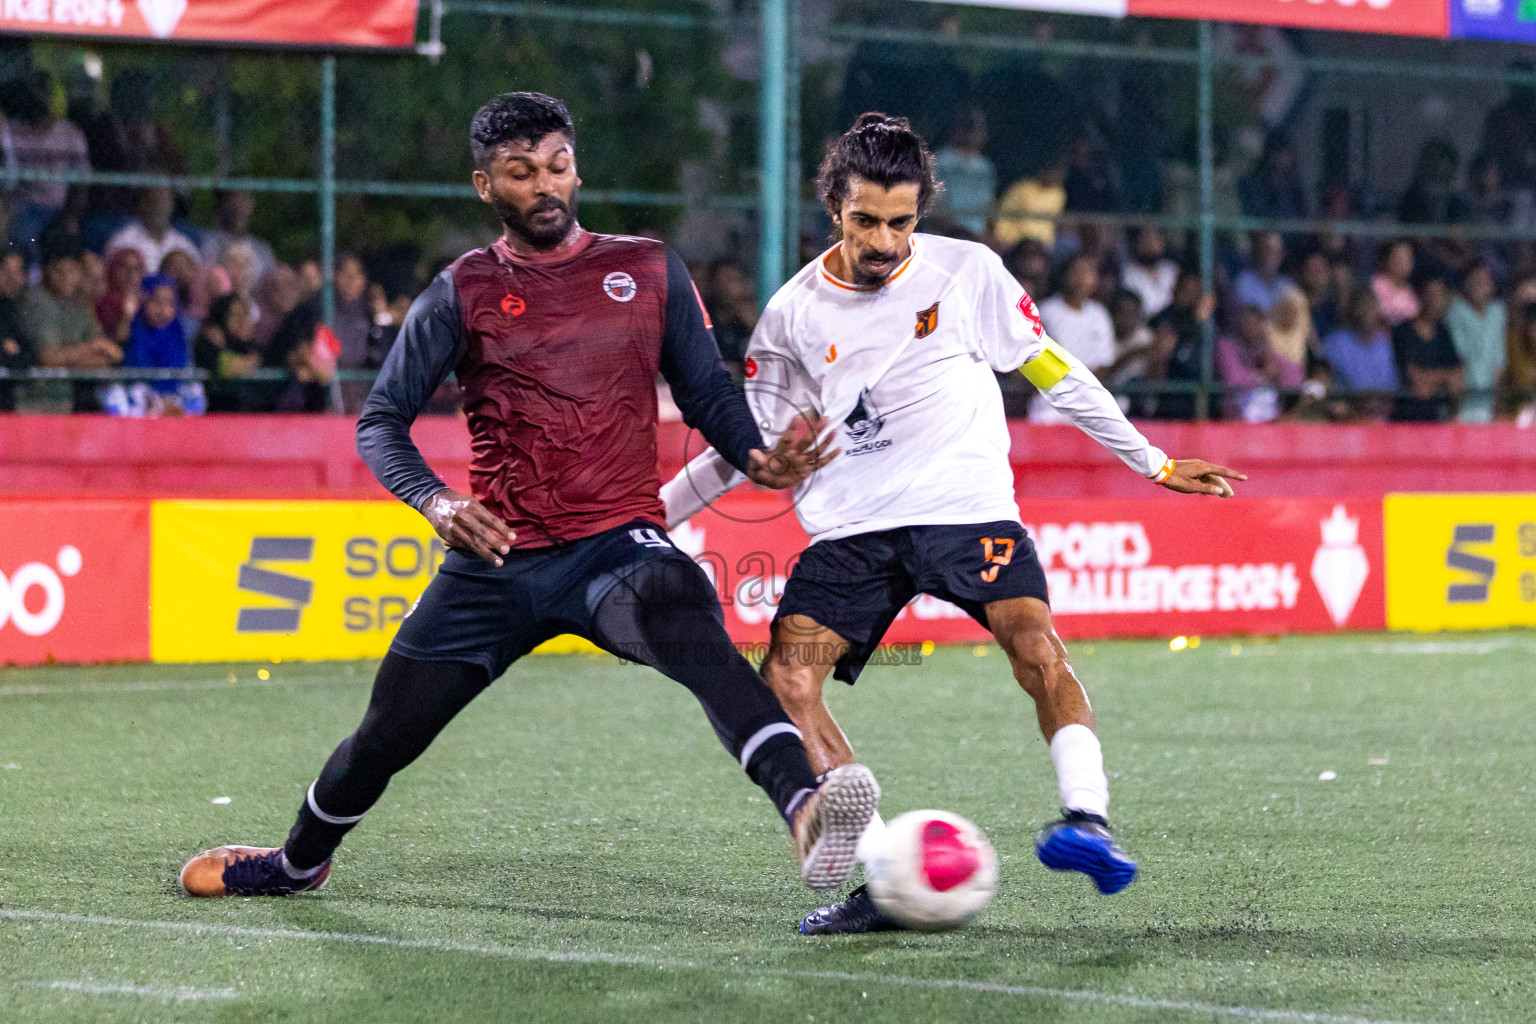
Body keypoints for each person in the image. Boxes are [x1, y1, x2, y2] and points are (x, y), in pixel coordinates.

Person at [178, 91, 878, 900]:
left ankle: (806, 807)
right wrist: (438, 503)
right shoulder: (461, 289)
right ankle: (296, 862)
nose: (545, 186)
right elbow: (380, 423)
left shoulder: (647, 268)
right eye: (521, 173)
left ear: (576, 169)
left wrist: (758, 455)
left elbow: (706, 396)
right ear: (486, 187)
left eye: (558, 167)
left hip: (615, 543)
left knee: (690, 624)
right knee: (384, 736)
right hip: (498, 561)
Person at [659, 113, 1244, 935]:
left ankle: (1087, 821)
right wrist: (647, 518)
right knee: (787, 682)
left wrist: (1148, 459)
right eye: (866, 220)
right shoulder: (793, 316)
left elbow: (1054, 369)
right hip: (854, 527)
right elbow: (736, 449)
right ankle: (883, 875)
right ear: (834, 206)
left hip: (967, 511)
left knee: (1035, 646)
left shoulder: (967, 272)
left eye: (902, 222)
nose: (886, 241)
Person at [18, 222, 121, 412]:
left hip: (66, 402)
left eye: (72, 271)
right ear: (45, 270)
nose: (65, 277)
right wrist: (91, 348)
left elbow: (106, 357)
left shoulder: (79, 303)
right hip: (33, 404)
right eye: (59, 271)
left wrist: (70, 357)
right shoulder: (37, 300)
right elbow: (47, 358)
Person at [0, 71, 91, 267]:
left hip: (58, 209)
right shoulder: (10, 131)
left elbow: (82, 182)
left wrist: (71, 216)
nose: (38, 100)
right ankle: (28, 277)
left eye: (44, 94)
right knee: (22, 232)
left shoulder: (70, 133)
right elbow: (9, 175)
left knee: (71, 237)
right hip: (21, 208)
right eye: (33, 94)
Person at [111, 271, 204, 416]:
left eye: (170, 303)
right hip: (139, 397)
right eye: (157, 302)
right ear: (144, 301)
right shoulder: (133, 326)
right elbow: (121, 340)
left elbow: (184, 374)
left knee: (196, 393)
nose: (164, 310)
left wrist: (168, 400)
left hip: (172, 397)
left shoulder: (177, 331)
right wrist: (127, 315)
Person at [1144, 270, 1214, 420]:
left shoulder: (1205, 325)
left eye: (1194, 292)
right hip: (1167, 398)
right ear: (1174, 290)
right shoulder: (1161, 319)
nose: (1188, 296)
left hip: (1195, 399)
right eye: (1184, 290)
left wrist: (1199, 323)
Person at [1392, 276, 1463, 422]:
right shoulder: (1403, 331)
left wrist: (1430, 379)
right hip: (1407, 421)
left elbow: (1456, 381)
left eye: (1438, 295)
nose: (1434, 300)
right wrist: (1442, 379)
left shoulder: (1443, 333)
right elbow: (1416, 385)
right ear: (1419, 296)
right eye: (1429, 294)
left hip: (1438, 420)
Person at [1217, 303, 1302, 422]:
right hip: (1236, 415)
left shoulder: (1265, 347)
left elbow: (1294, 379)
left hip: (1269, 418)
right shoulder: (1226, 345)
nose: (1250, 327)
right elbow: (1234, 380)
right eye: (1247, 322)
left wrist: (1278, 370)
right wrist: (1261, 375)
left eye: (1256, 323)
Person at [1323, 289, 1397, 421]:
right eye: (1363, 308)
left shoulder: (1384, 344)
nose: (1367, 314)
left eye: (1371, 308)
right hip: (1346, 418)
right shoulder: (1336, 343)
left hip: (1379, 419)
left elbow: (1391, 387)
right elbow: (1328, 384)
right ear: (1353, 311)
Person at [1447, 263, 1507, 423]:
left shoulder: (1498, 313)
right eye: (1475, 281)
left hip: (1488, 401)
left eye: (1484, 282)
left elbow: (1499, 361)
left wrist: (1494, 402)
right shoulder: (1457, 310)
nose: (1479, 287)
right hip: (1464, 401)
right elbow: (1459, 355)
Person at [194, 292, 264, 412]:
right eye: (236, 315)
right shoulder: (208, 343)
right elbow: (224, 366)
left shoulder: (249, 345)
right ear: (222, 318)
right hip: (216, 415)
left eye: (246, 315)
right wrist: (251, 361)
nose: (243, 321)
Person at [931, 108, 995, 237]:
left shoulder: (985, 167)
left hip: (978, 238)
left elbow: (989, 208)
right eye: (968, 126)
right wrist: (961, 234)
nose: (973, 132)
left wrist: (987, 236)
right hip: (946, 236)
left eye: (978, 128)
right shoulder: (940, 162)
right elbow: (935, 212)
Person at [105, 187, 199, 273]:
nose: (158, 207)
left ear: (172, 205)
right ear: (142, 204)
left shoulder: (185, 245)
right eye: (153, 201)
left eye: (163, 201)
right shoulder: (123, 241)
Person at [199, 190, 277, 283]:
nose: (239, 207)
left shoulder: (262, 250)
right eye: (232, 200)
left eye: (244, 199)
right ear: (220, 206)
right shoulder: (208, 244)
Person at [1120, 224, 1179, 317]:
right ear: (1136, 243)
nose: (1150, 245)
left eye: (1155, 239)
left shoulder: (1171, 269)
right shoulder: (1128, 273)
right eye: (1145, 239)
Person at [0, 247, 32, 412]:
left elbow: (31, 353)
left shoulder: (10, 309)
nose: (13, 279)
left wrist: (11, 353)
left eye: (17, 272)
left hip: (6, 407)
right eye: (5, 271)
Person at [95, 247, 146, 345]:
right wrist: (126, 315)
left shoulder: (147, 299)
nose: (132, 274)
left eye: (137, 269)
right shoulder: (103, 302)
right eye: (125, 268)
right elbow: (116, 341)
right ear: (114, 269)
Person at [1234, 232, 1294, 313]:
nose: (1270, 257)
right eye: (1267, 250)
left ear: (1281, 256)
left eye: (1275, 252)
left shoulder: (1289, 286)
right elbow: (1244, 316)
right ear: (1260, 252)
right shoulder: (1245, 281)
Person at [1372, 240, 1419, 328]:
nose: (1404, 263)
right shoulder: (1374, 286)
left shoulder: (1412, 292)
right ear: (1386, 259)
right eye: (1399, 258)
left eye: (1408, 258)